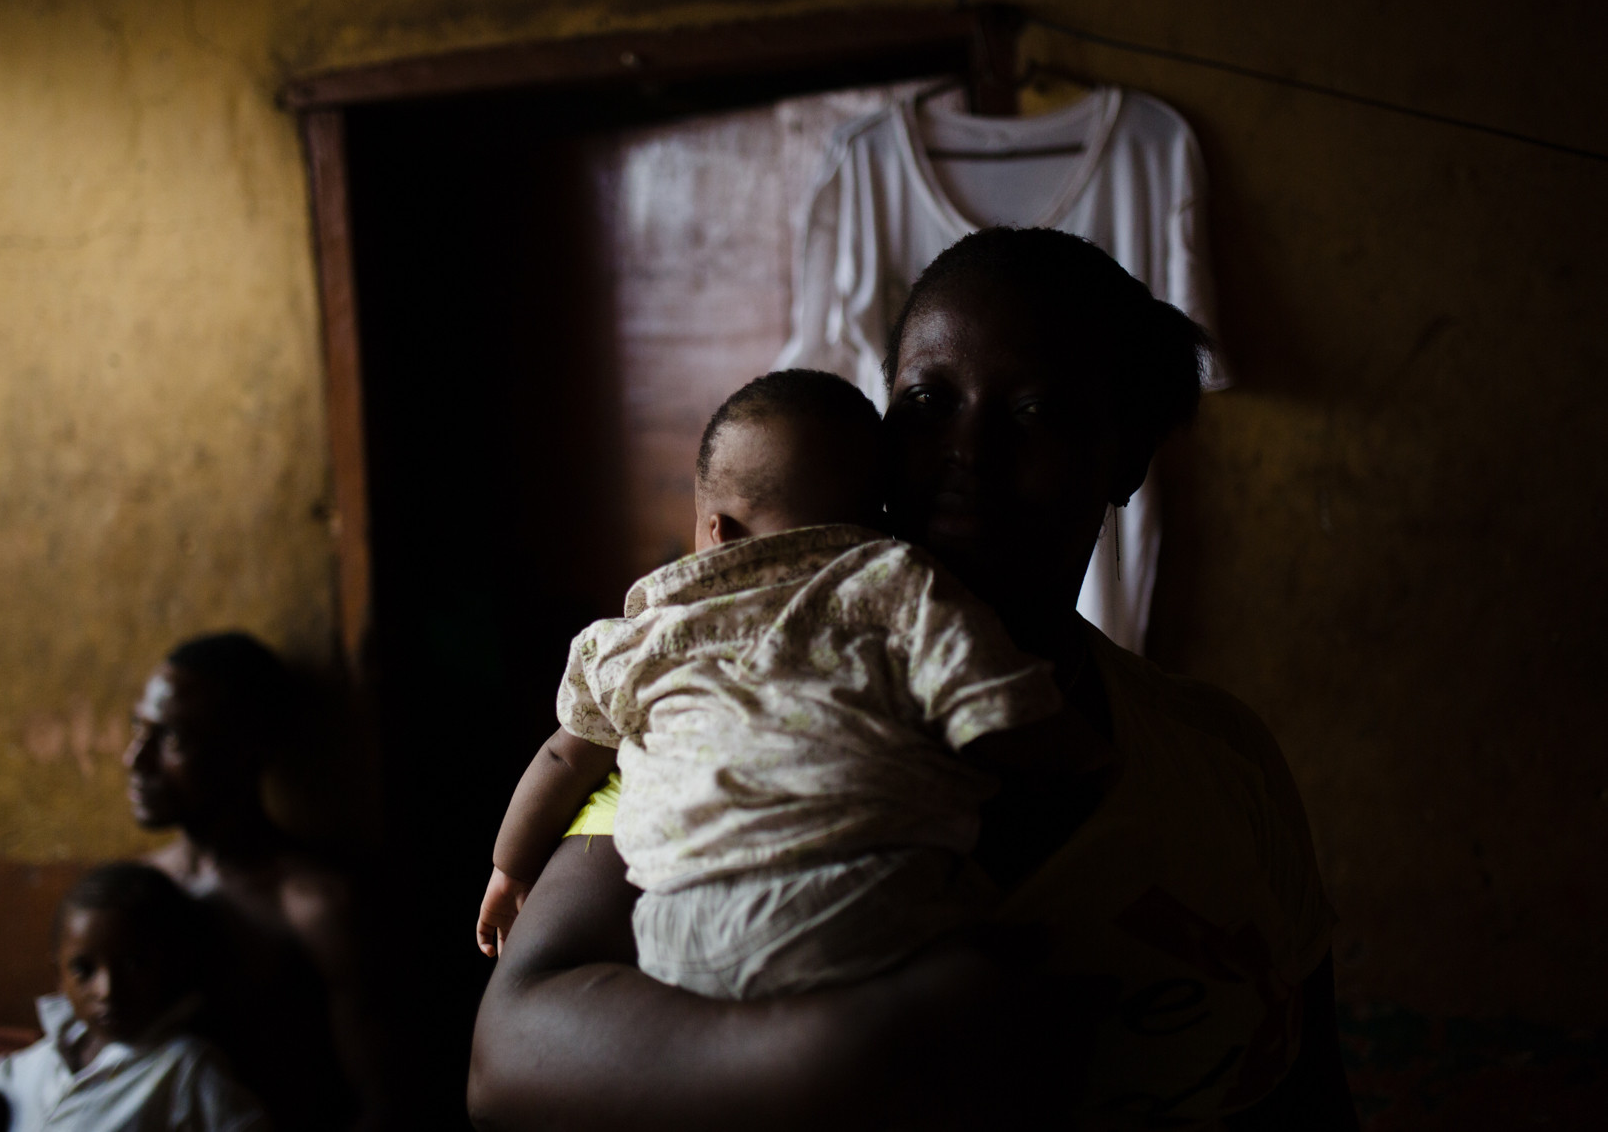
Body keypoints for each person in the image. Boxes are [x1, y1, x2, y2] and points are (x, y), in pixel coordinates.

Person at [467, 228, 1358, 1129]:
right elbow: (511, 1060)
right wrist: (866, 1053)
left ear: (1124, 457)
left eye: (1037, 410)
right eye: (928, 400)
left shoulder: (1221, 760)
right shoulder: (713, 713)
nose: (965, 448)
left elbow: (1307, 1084)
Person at [476, 370, 1111, 998]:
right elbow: (1006, 718)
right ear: (879, 521)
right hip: (867, 910)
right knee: (1016, 968)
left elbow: (564, 755)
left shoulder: (646, 633)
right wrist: (1086, 755)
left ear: (716, 531)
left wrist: (509, 870)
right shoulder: (900, 587)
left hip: (679, 932)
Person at [123, 634, 380, 1130]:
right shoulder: (142, 886)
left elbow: (381, 1101)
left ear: (248, 750)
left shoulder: (317, 910)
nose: (134, 760)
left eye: (173, 738)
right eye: (139, 729)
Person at [0, 862, 268, 1132]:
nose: (107, 991)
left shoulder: (186, 1070)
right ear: (58, 976)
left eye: (134, 964)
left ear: (174, 966)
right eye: (84, 970)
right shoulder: (25, 1069)